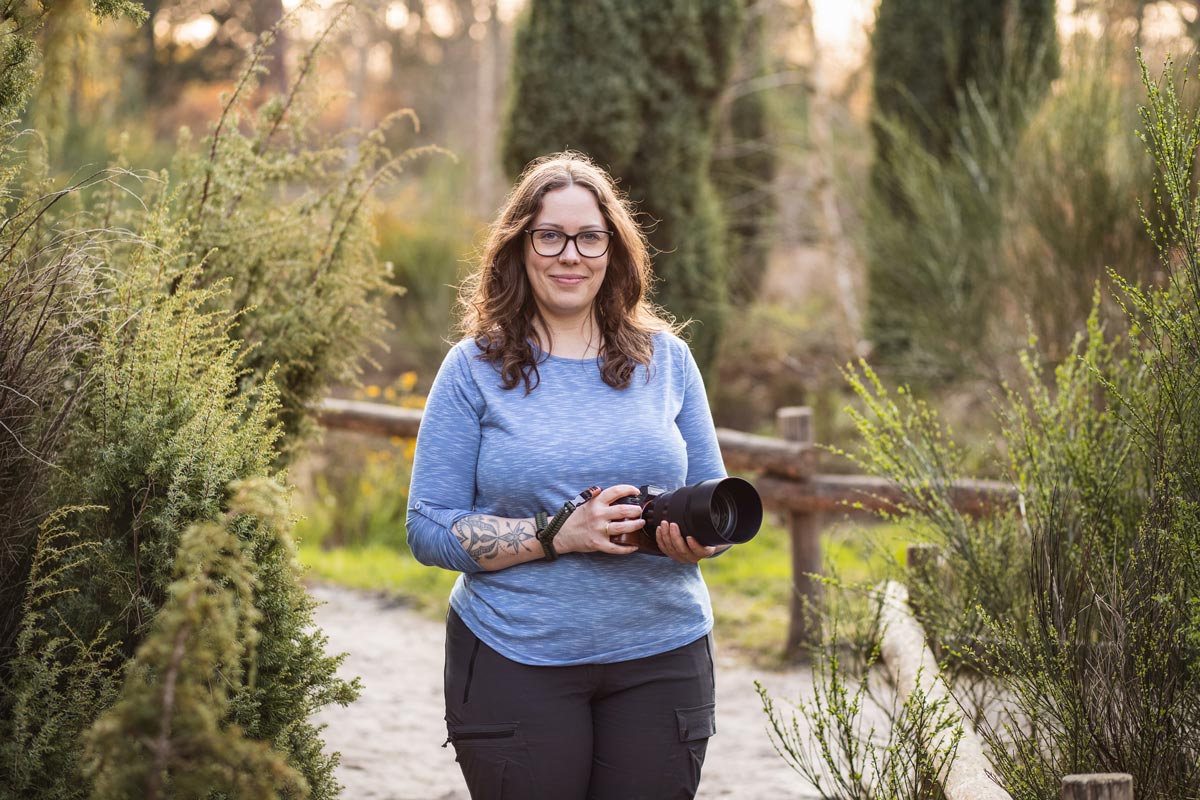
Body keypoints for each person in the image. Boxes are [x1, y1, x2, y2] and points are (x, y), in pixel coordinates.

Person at [406, 151, 732, 800]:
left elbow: (716, 506)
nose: (570, 255)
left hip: (662, 653)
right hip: (515, 656)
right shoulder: (473, 369)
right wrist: (558, 533)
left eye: (588, 236)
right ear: (519, 247)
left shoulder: (668, 360)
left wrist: (701, 537)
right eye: (549, 235)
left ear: (614, 249)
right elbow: (427, 527)